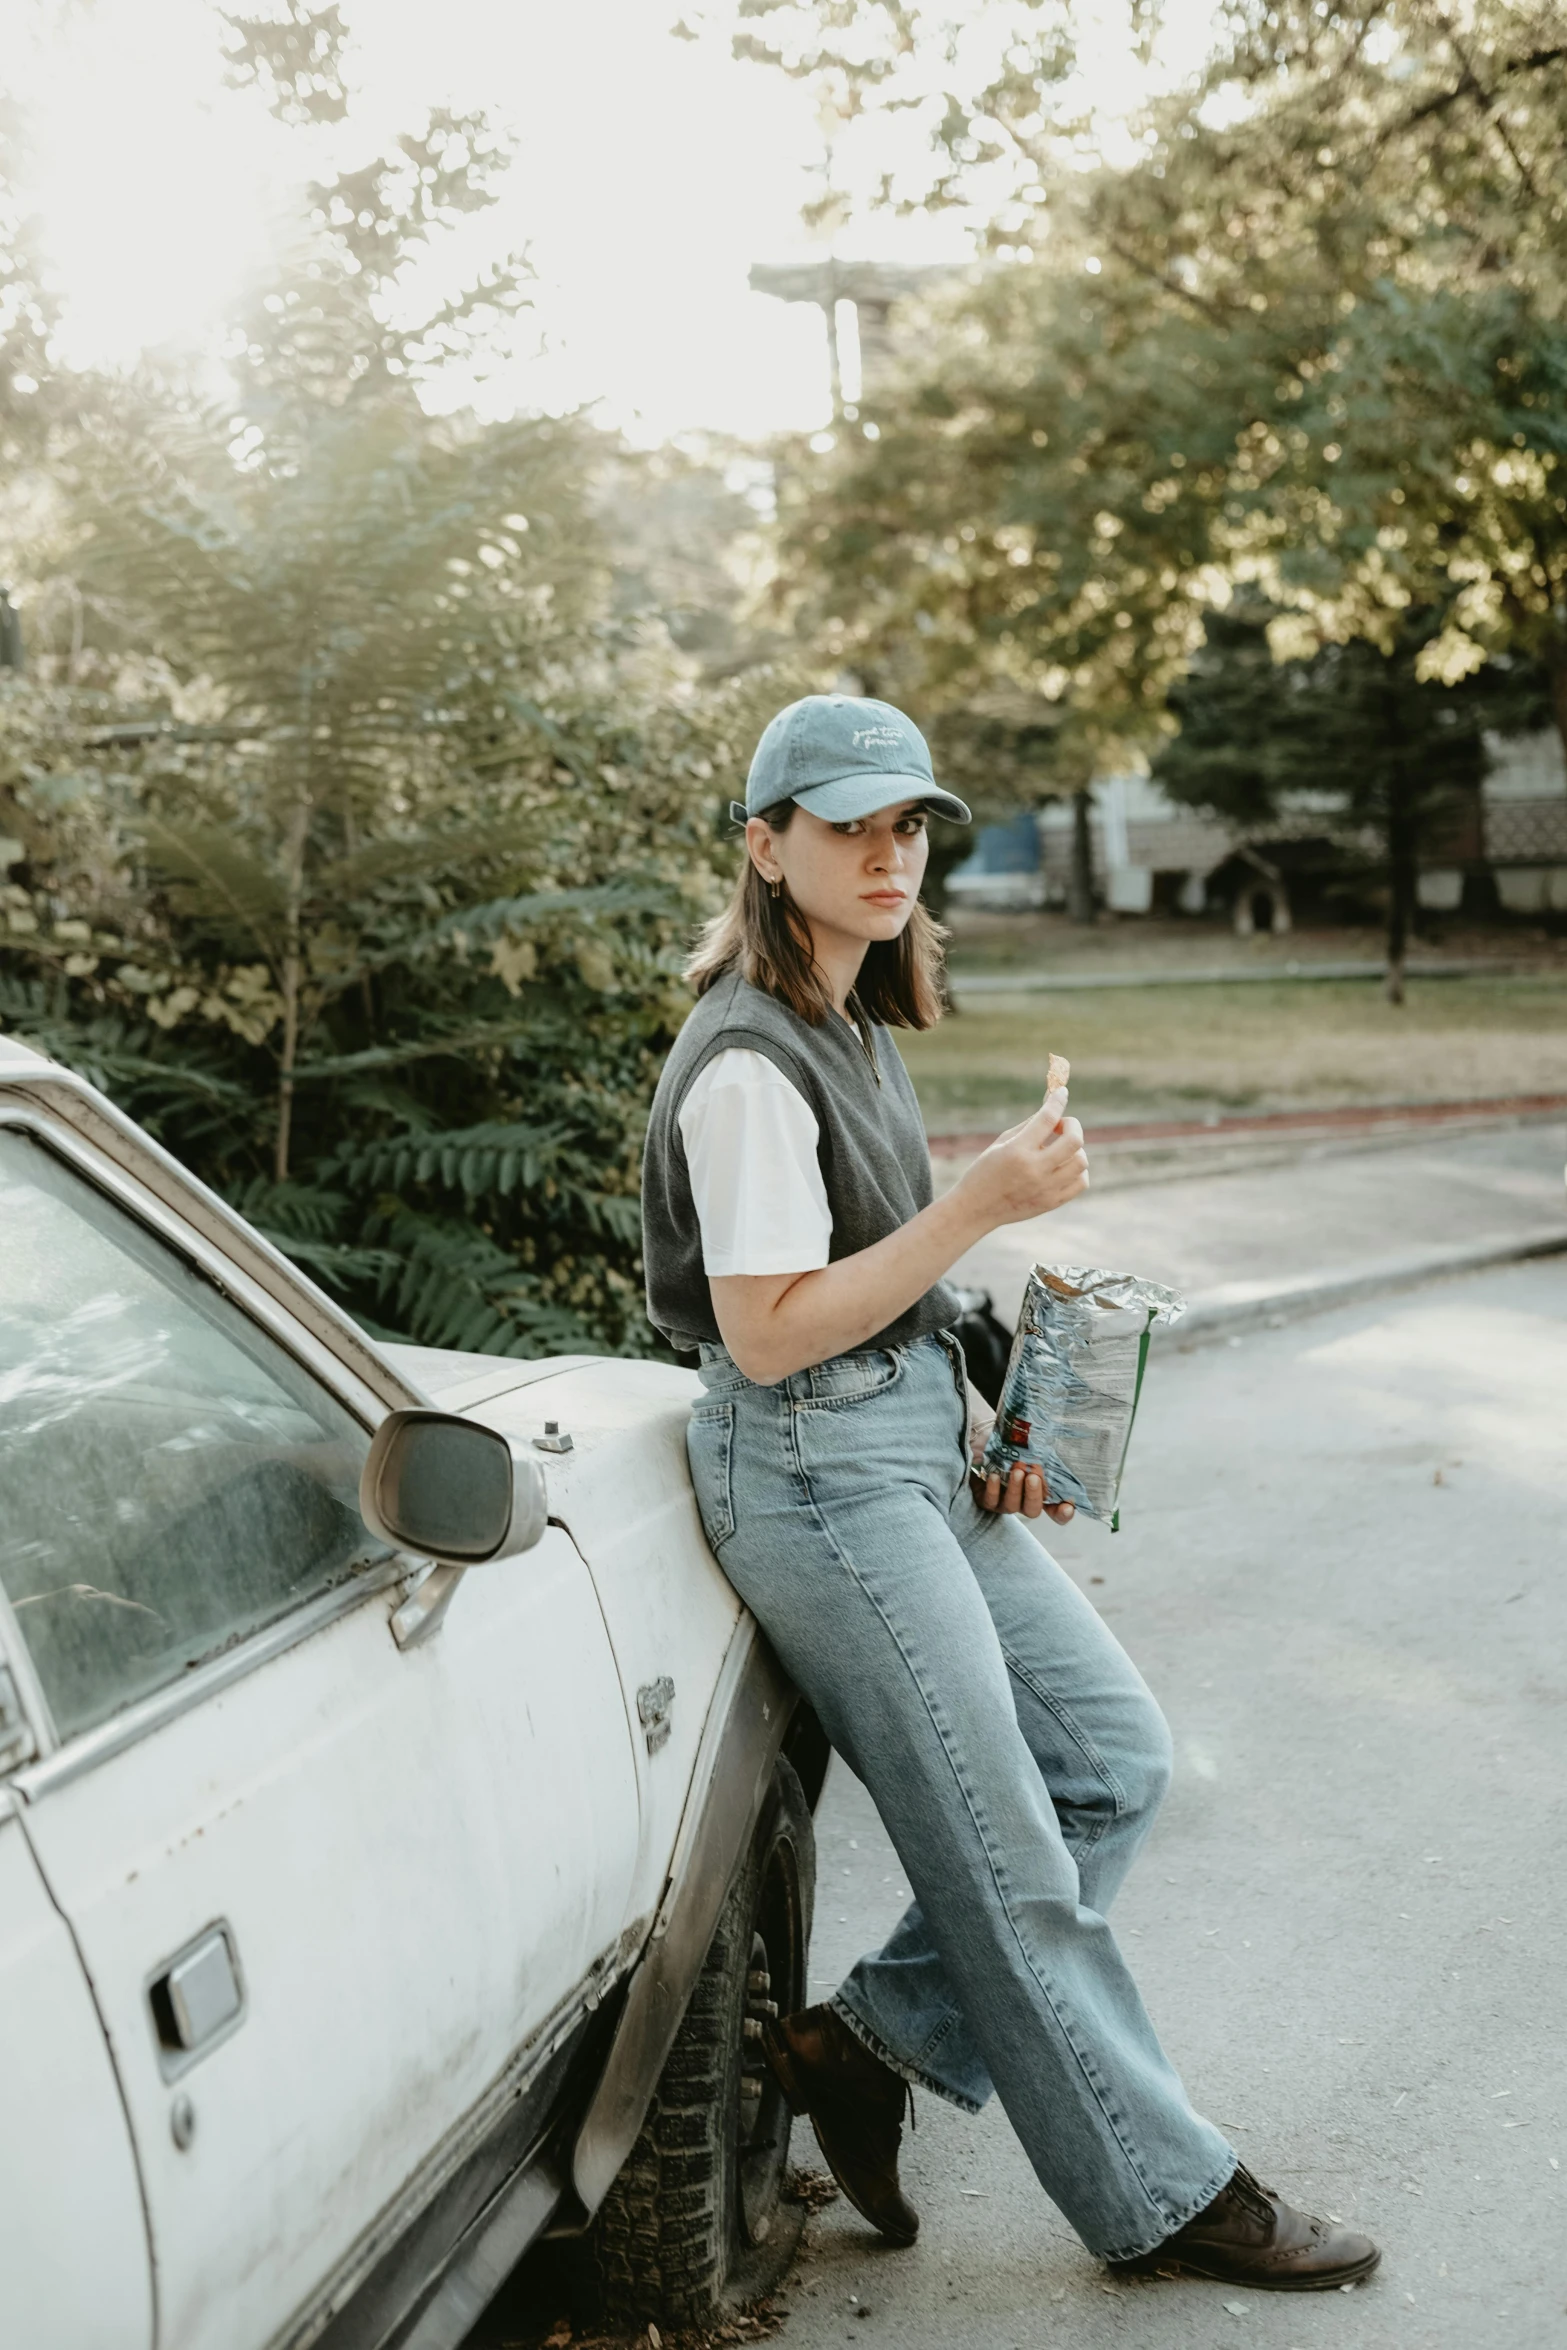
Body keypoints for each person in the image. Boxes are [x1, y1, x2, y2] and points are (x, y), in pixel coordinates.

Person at [641, 694, 1380, 2291]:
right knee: (1007, 1855)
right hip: (819, 1478)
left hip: (904, 1446)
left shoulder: (846, 1017)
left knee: (1109, 1759)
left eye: (906, 824)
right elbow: (768, 1332)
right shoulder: (745, 1062)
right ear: (765, 846)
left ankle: (869, 2040)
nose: (886, 852)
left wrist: (987, 1399)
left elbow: (874, 1293)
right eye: (846, 825)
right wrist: (977, 1199)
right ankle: (1164, 2192)